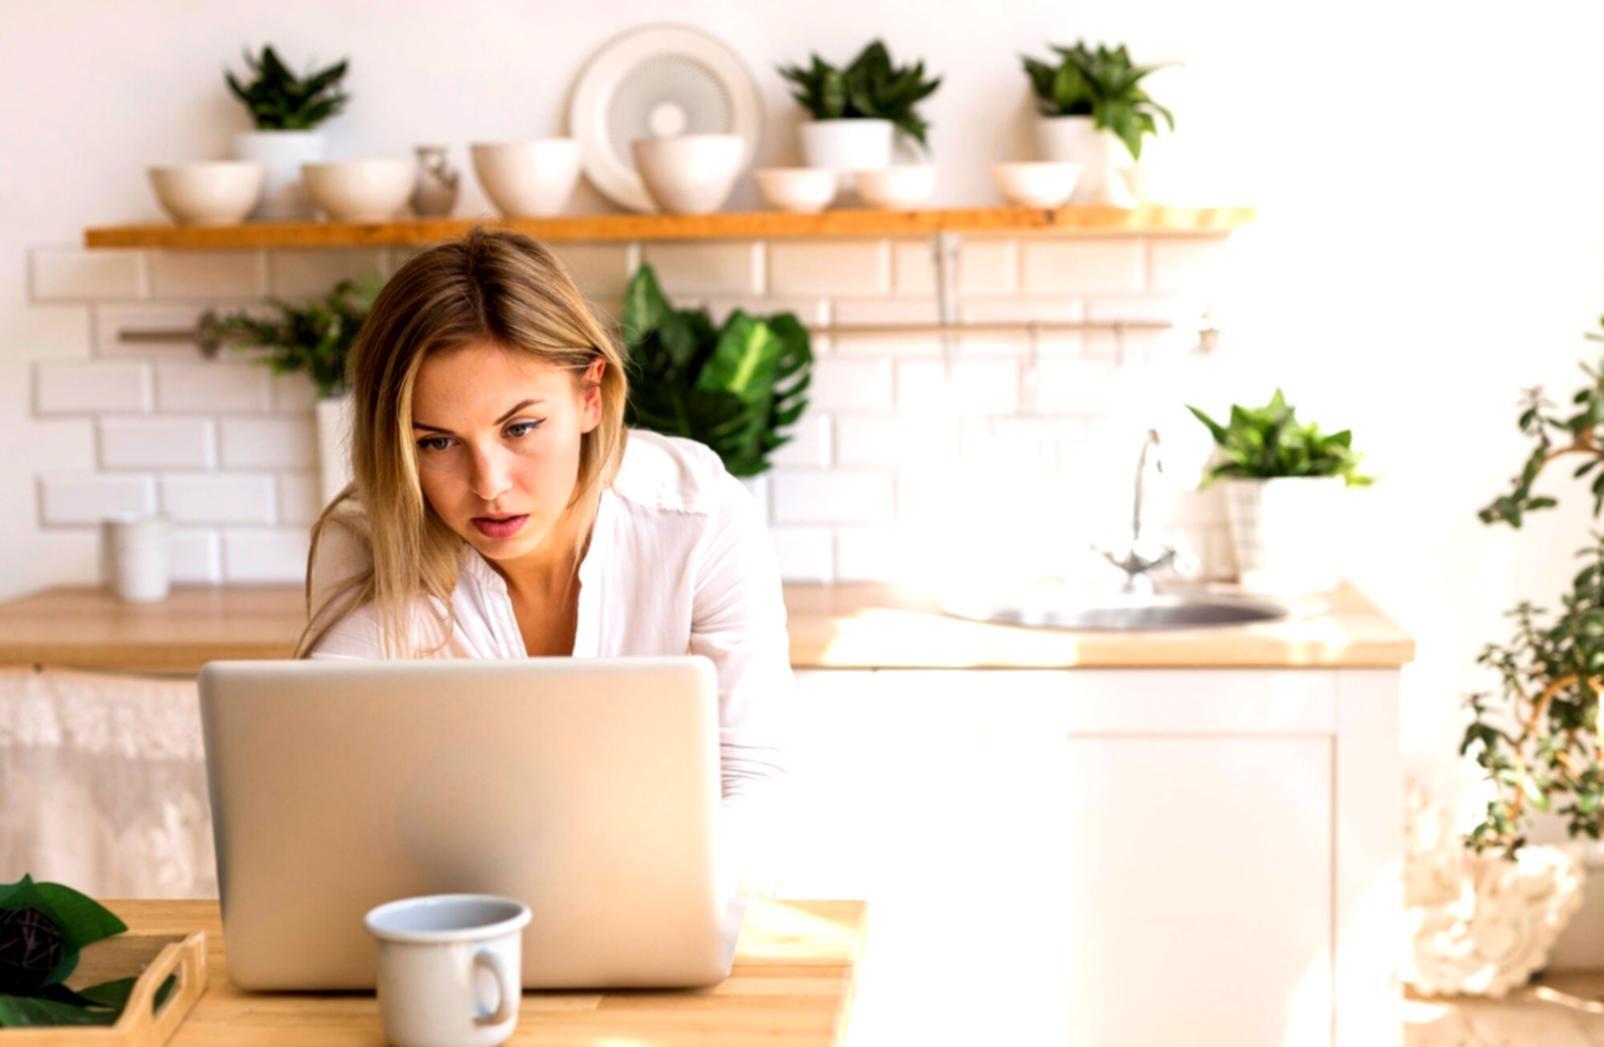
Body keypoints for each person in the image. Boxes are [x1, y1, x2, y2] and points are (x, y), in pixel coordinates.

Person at [295, 227, 792, 897]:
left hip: (666, 914)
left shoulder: (698, 521)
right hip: (456, 929)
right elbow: (320, 792)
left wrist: (650, 913)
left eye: (520, 427)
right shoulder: (372, 544)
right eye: (438, 441)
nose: (489, 483)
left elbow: (751, 780)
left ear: (591, 394)